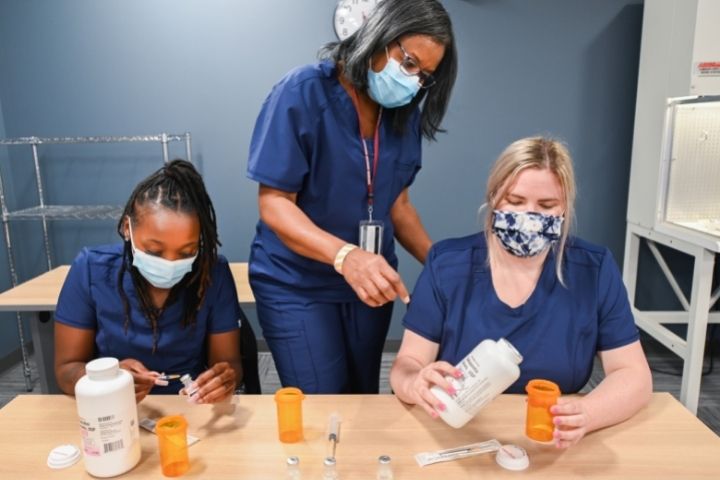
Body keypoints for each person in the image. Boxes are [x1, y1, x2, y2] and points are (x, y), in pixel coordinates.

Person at [246, 0, 458, 393]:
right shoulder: (301, 93)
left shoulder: (402, 112)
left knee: (362, 397)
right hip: (298, 283)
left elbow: (398, 204)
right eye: (409, 63)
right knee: (324, 401)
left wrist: (443, 264)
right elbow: (274, 204)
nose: (413, 82)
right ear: (376, 37)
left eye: (425, 76)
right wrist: (346, 256)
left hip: (370, 283)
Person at [389, 137, 652, 448]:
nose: (529, 216)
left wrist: (588, 413)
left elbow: (634, 375)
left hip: (551, 438)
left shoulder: (593, 270)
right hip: (458, 434)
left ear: (564, 208)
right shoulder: (448, 264)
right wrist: (414, 383)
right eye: (515, 202)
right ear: (493, 199)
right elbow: (407, 364)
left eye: (546, 206)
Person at [54, 160, 243, 403]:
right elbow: (66, 370)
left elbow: (229, 364)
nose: (170, 264)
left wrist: (223, 380)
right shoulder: (92, 269)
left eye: (187, 252)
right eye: (154, 251)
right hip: (112, 409)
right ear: (126, 228)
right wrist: (110, 379)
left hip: (191, 407)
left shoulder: (212, 273)